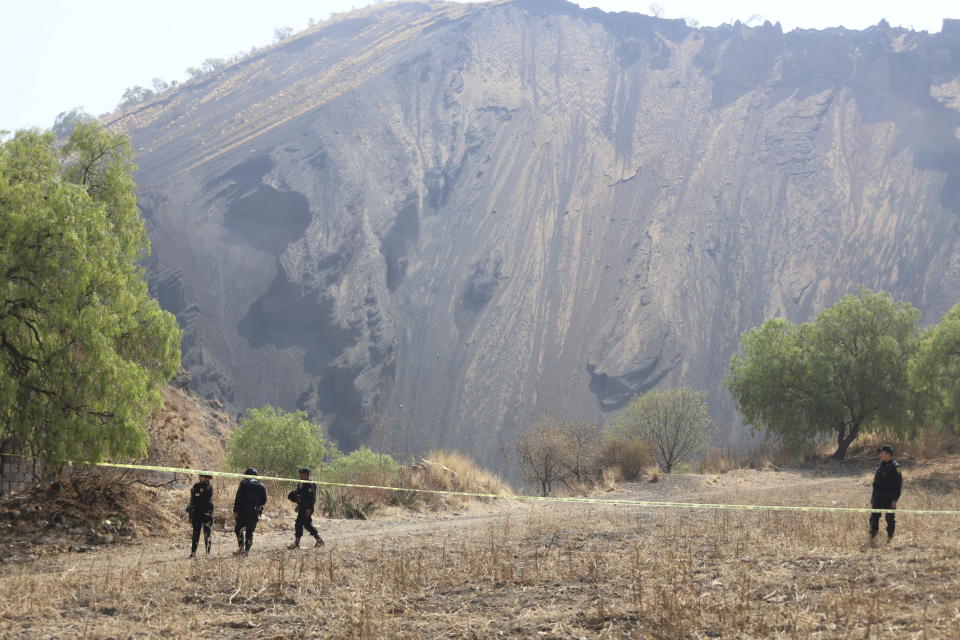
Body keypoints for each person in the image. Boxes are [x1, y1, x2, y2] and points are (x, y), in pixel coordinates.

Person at [869, 444, 902, 547]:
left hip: (889, 498)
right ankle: (872, 538)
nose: (880, 455)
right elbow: (875, 483)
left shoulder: (895, 467)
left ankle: (889, 539)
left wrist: (894, 500)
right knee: (874, 518)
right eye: (880, 453)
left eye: (882, 453)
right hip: (878, 498)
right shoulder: (880, 465)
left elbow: (898, 485)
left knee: (890, 519)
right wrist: (873, 498)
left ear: (888, 454)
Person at [287, 467, 324, 549]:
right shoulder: (301, 484)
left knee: (298, 524)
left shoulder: (310, 484)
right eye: (300, 474)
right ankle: (319, 540)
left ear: (307, 475)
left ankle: (296, 544)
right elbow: (301, 496)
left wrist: (309, 508)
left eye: (302, 474)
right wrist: (298, 505)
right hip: (302, 507)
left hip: (307, 508)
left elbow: (311, 498)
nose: (300, 475)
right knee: (307, 525)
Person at [233, 468, 268, 556]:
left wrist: (235, 510)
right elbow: (264, 501)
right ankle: (247, 551)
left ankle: (241, 548)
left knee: (238, 529)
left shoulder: (244, 483)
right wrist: (258, 510)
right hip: (254, 512)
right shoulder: (261, 485)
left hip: (243, 511)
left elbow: (238, 497)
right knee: (249, 532)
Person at [186, 473, 214, 558]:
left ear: (206, 478)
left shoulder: (209, 487)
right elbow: (193, 498)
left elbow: (203, 498)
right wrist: (190, 507)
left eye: (202, 476)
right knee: (195, 533)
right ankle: (193, 553)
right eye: (200, 476)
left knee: (207, 534)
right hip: (197, 513)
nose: (199, 477)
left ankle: (207, 553)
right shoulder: (196, 486)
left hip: (206, 513)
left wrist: (197, 496)